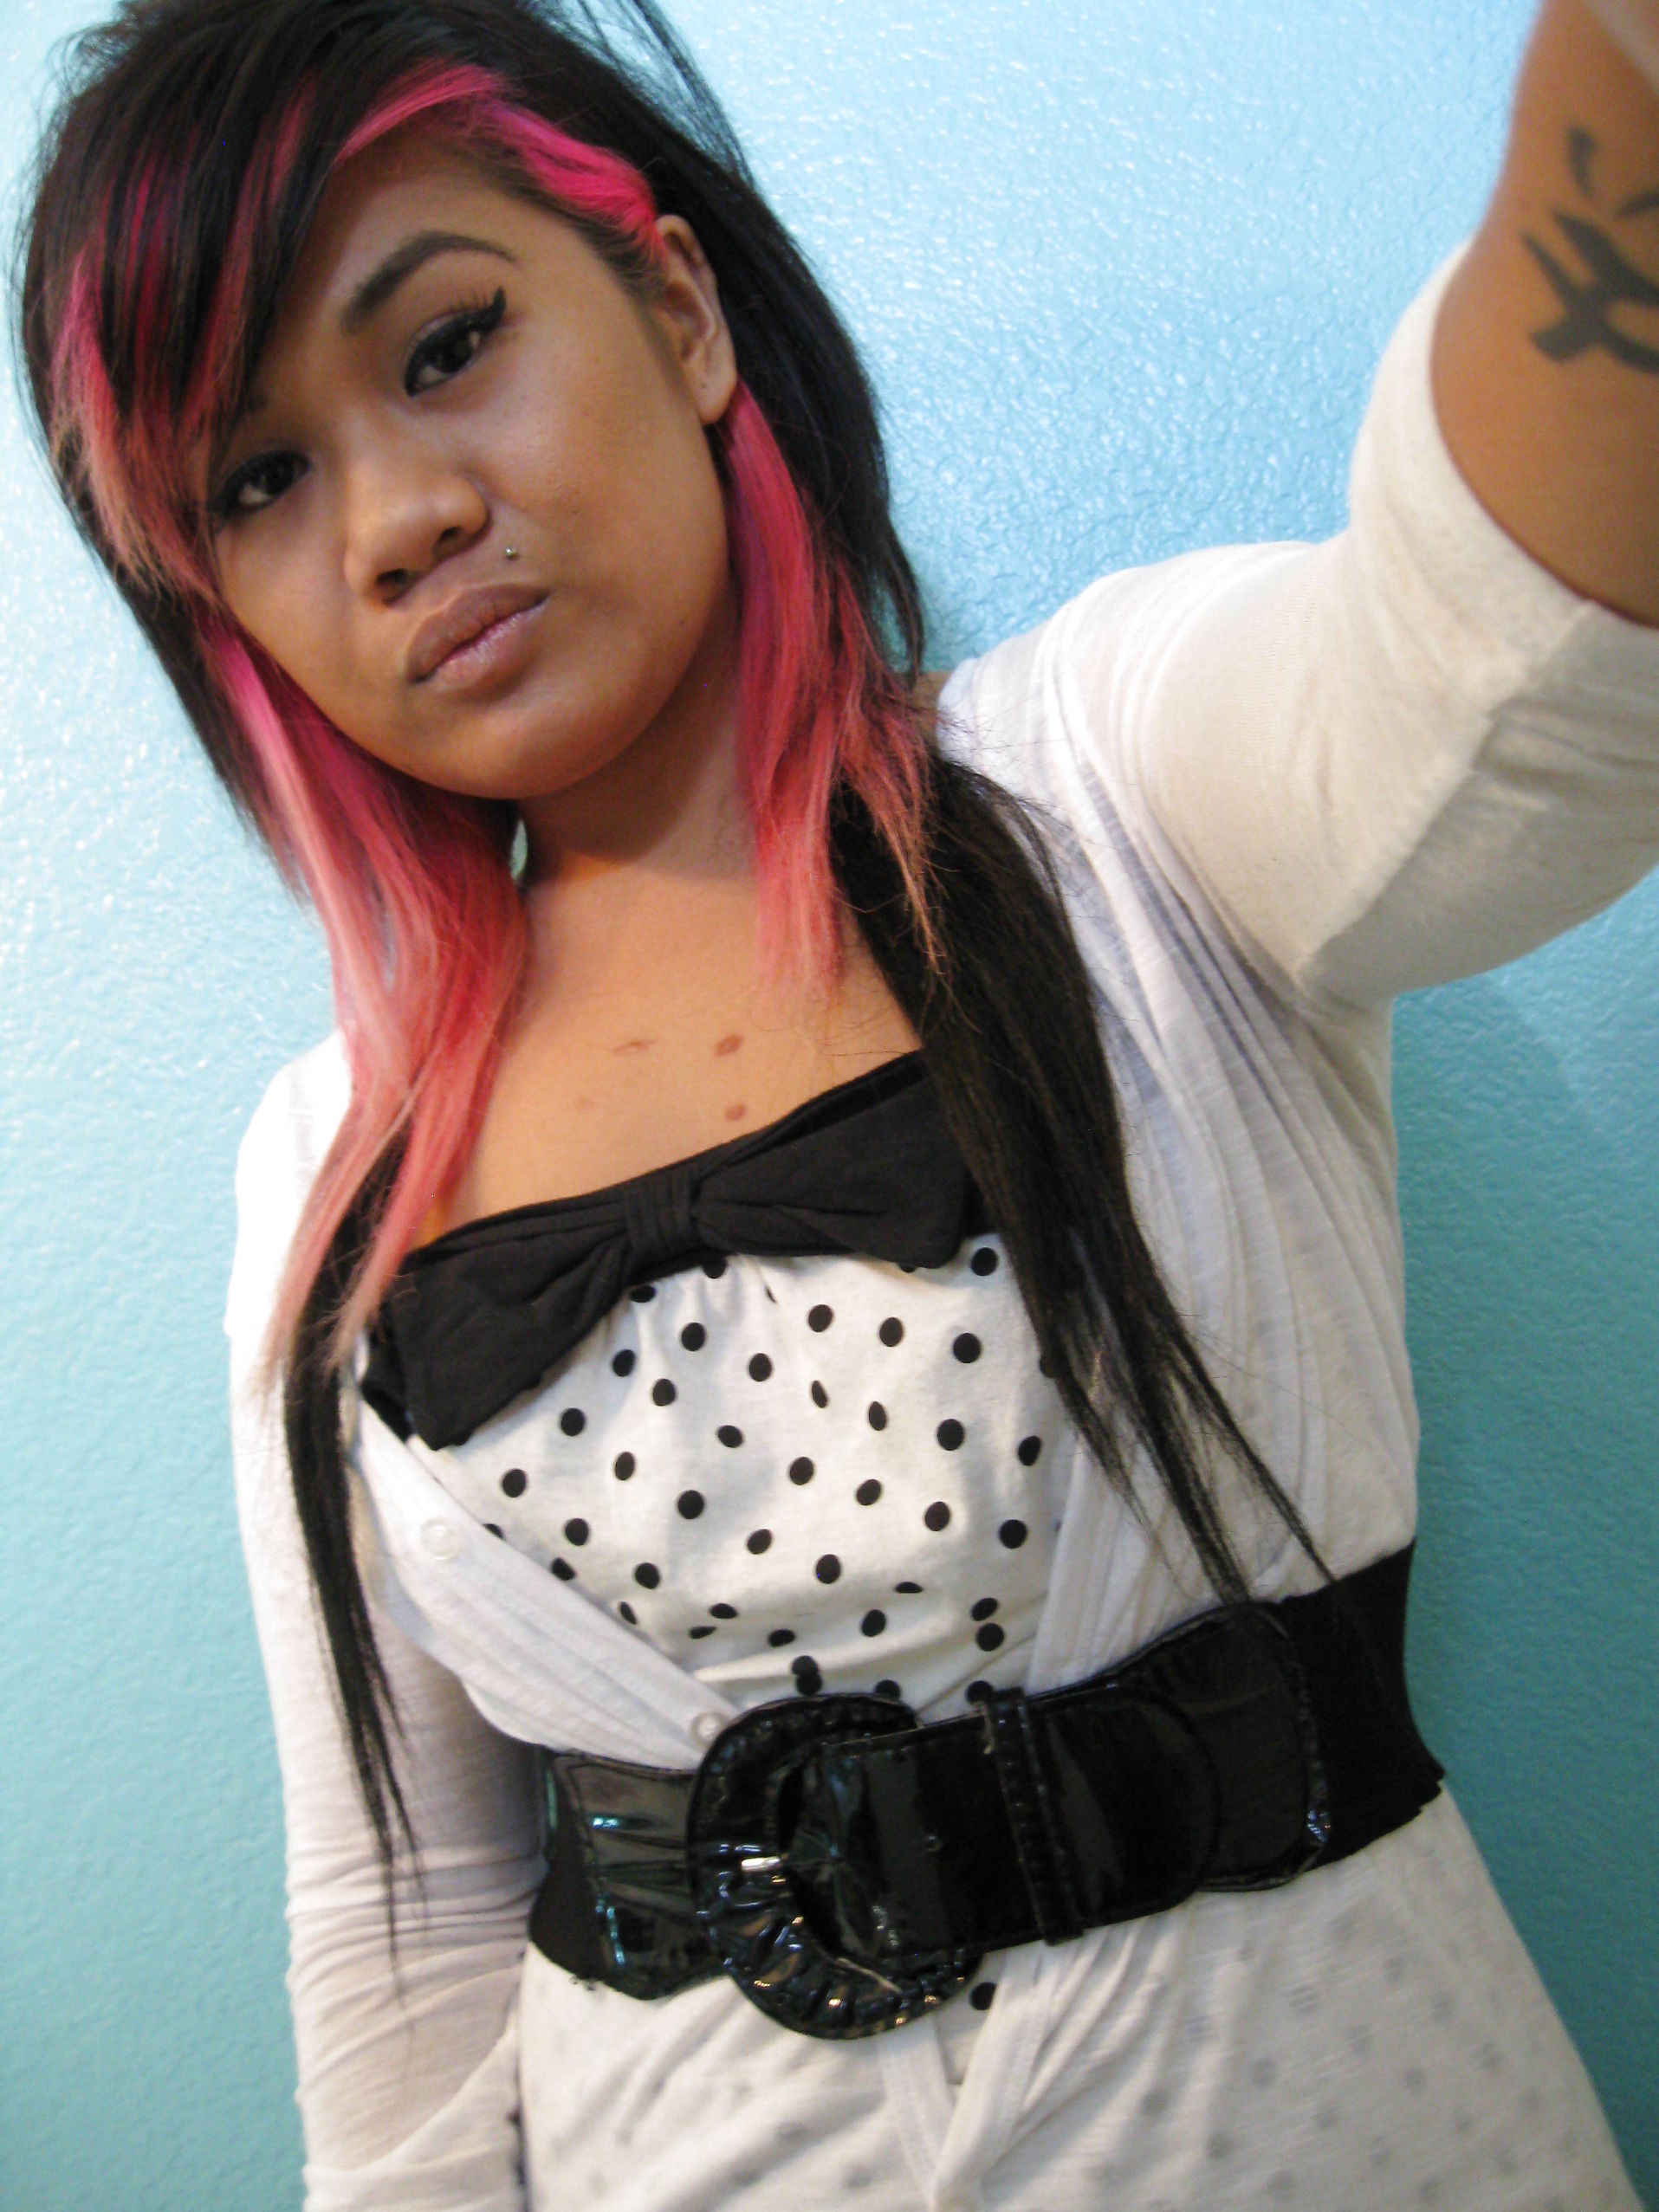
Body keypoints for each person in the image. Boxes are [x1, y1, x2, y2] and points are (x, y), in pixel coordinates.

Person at [16, 0, 1657, 2203]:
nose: (398, 517)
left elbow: (1489, 704)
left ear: (678, 307)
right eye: (256, 480)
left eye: (447, 345)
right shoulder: (328, 1174)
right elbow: (401, 1934)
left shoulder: (1114, 795)